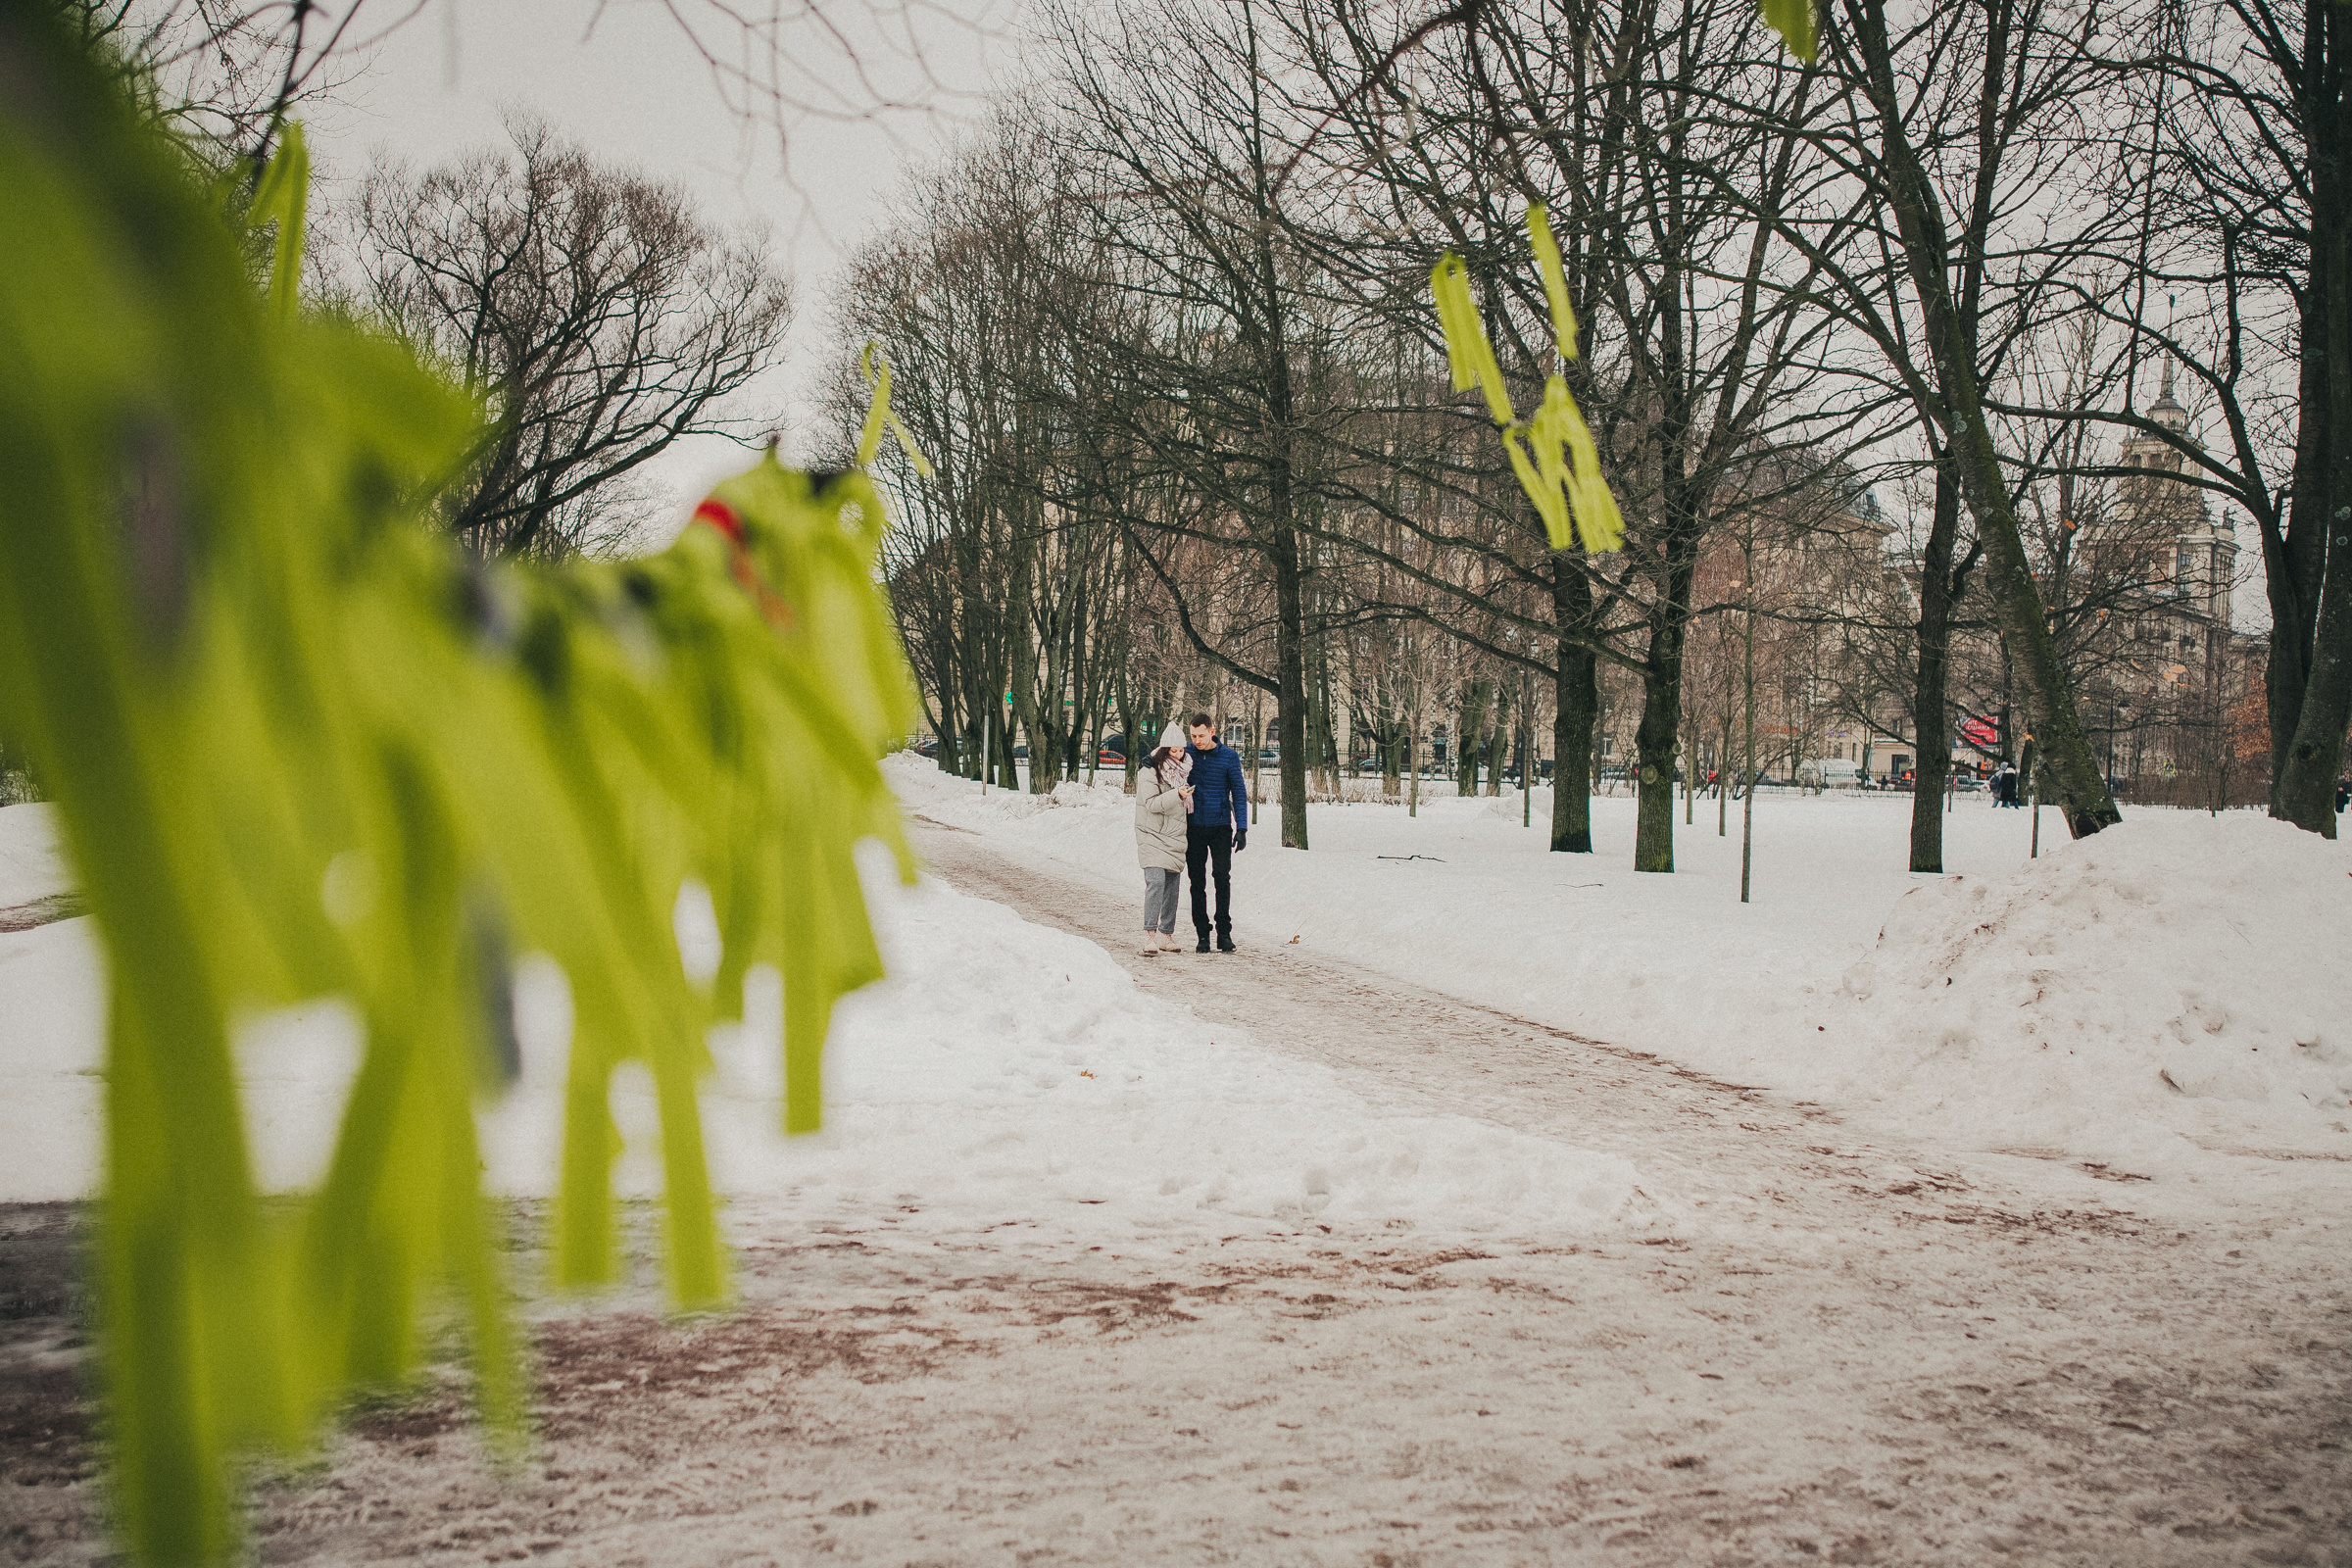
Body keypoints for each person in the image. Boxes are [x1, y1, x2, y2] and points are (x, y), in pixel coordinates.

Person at [1183, 711, 1249, 954]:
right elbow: (1163, 758)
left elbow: (1239, 794)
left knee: (1221, 878)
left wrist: (1241, 828)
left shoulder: (1229, 757)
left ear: (1212, 731)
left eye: (1201, 735)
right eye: (1193, 735)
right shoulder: (1187, 754)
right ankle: (1202, 934)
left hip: (1220, 826)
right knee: (1196, 882)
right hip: (1194, 827)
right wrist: (1148, 761)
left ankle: (1224, 933)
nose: (1197, 740)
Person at [1134, 723, 1193, 954]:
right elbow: (1151, 804)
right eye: (1173, 750)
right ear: (1164, 749)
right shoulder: (1149, 770)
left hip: (1175, 834)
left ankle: (1167, 935)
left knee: (1172, 888)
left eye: (1181, 750)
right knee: (1156, 882)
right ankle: (1150, 935)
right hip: (1151, 833)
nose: (1178, 755)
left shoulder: (1186, 769)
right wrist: (1176, 794)